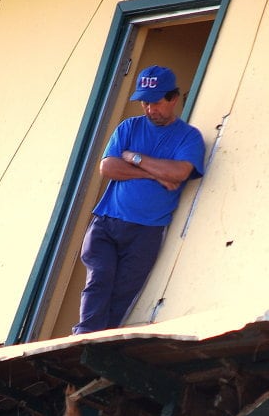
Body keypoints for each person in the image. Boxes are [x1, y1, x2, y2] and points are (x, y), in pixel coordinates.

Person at [72, 64, 205, 335]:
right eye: (144, 102)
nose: (149, 109)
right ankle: (83, 340)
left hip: (147, 230)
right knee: (99, 280)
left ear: (174, 98)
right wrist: (156, 175)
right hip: (107, 221)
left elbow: (179, 172)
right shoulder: (129, 127)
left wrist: (135, 158)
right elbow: (107, 168)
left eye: (155, 102)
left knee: (123, 293)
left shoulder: (189, 136)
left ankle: (99, 347)